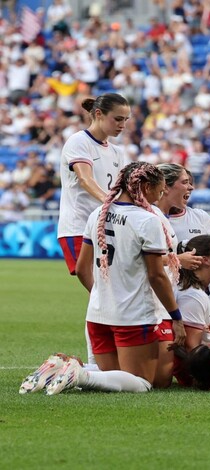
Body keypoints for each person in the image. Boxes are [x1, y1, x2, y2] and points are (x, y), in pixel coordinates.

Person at [19, 163, 186, 396]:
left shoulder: (98, 213)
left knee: (109, 379)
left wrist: (100, 294)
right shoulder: (147, 220)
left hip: (97, 314)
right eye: (158, 191)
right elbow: (157, 275)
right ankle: (79, 374)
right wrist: (176, 317)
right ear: (146, 187)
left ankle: (61, 367)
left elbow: (81, 268)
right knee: (143, 383)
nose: (159, 197)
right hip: (132, 315)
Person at [57, 93, 131, 276]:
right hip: (80, 225)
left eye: (126, 120)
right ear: (99, 114)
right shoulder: (79, 141)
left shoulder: (117, 152)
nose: (122, 125)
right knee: (102, 289)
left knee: (110, 288)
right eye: (118, 119)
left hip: (108, 226)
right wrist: (112, 204)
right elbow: (85, 180)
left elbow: (120, 189)